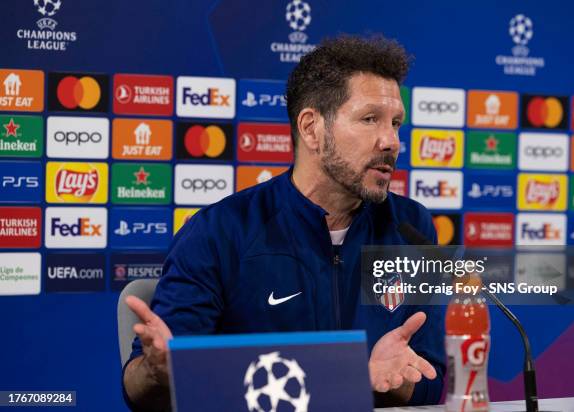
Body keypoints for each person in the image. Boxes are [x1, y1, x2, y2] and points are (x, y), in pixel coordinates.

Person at [122, 34, 445, 411]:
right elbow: (138, 391)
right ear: (310, 128)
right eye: (370, 119)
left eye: (396, 123)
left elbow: (429, 385)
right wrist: (157, 370)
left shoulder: (411, 225)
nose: (391, 141)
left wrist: (390, 381)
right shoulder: (220, 232)